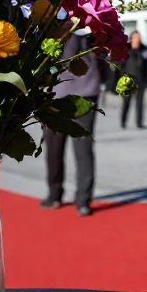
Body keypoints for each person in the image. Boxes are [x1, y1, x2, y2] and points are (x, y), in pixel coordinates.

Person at [41, 31, 101, 216]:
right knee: (83, 150)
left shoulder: (57, 28)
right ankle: (83, 200)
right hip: (88, 92)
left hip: (57, 96)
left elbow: (46, 64)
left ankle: (55, 195)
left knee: (54, 149)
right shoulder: (96, 29)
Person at [120, 32, 147, 129]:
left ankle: (139, 122)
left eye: (139, 37)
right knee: (126, 101)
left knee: (139, 102)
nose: (138, 39)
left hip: (141, 78)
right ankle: (123, 121)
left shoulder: (145, 49)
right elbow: (120, 63)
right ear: (132, 38)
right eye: (135, 37)